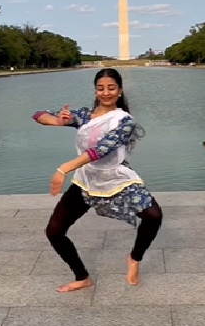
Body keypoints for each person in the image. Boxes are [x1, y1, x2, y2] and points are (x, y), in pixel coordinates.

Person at [32, 68, 164, 292]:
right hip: (87, 179)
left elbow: (101, 150)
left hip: (115, 176)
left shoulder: (124, 121)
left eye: (111, 88)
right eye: (101, 88)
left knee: (153, 215)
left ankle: (134, 258)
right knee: (54, 231)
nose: (106, 93)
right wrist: (57, 120)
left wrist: (63, 168)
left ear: (120, 91)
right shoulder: (84, 115)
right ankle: (82, 277)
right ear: (95, 90)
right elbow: (38, 114)